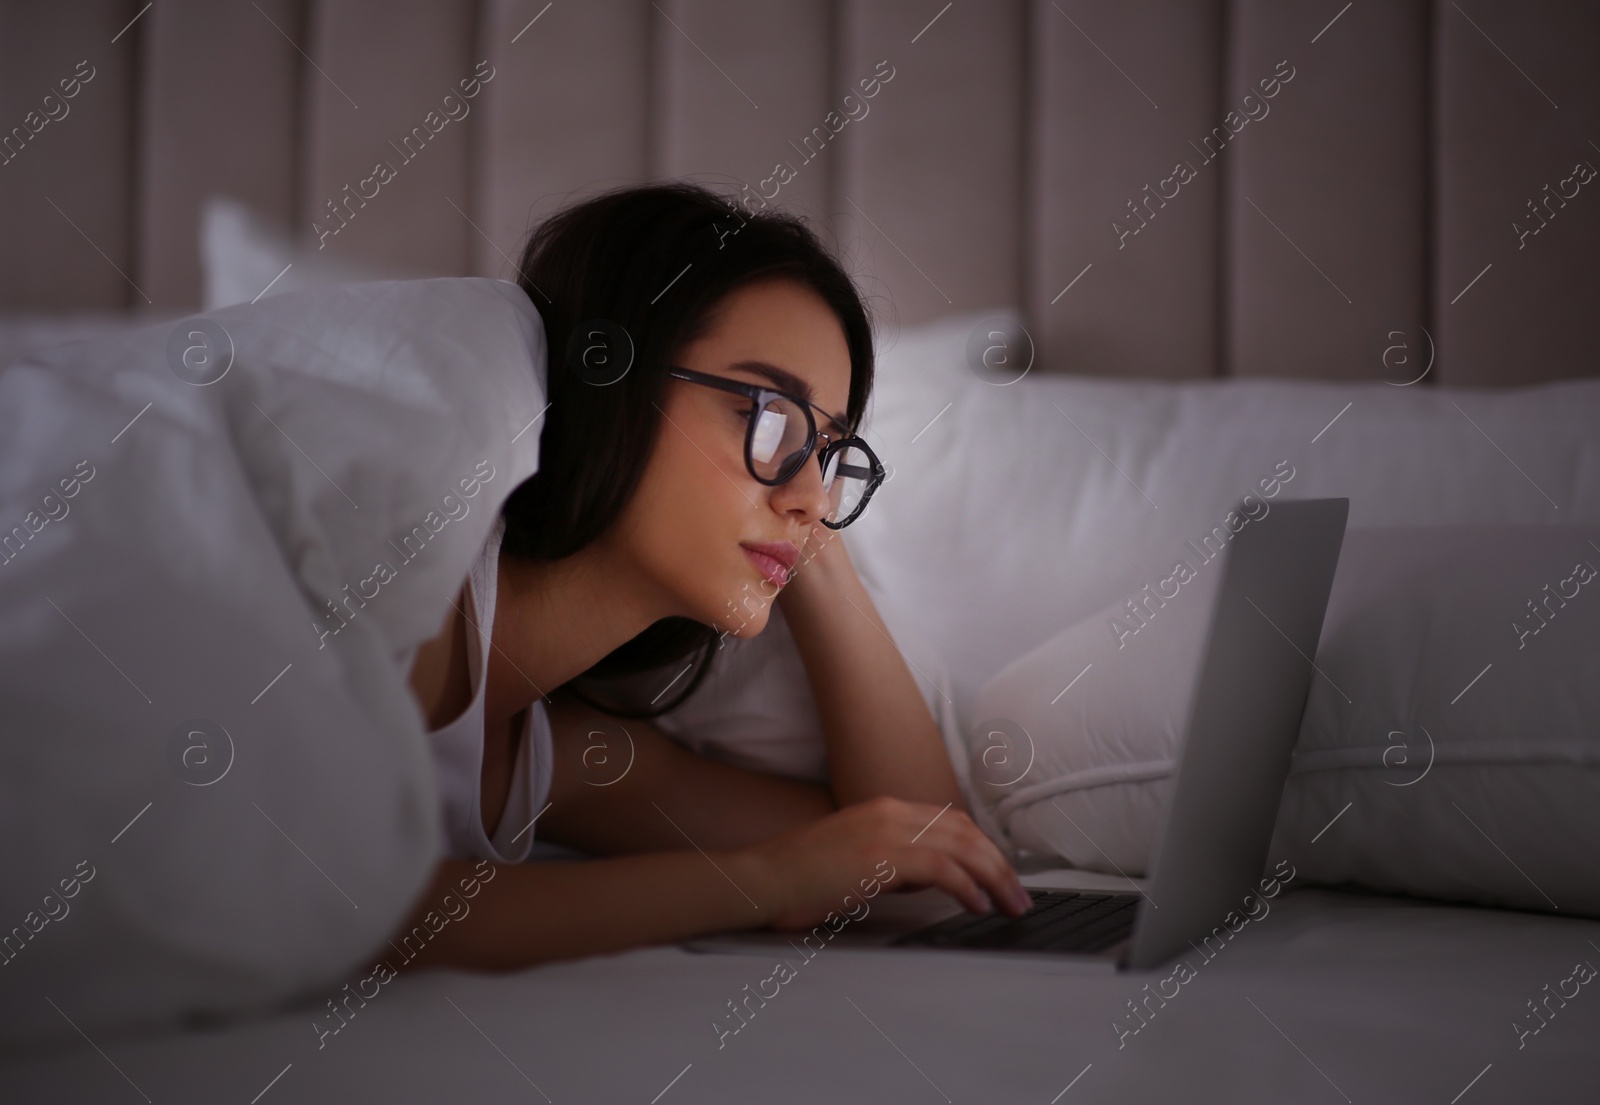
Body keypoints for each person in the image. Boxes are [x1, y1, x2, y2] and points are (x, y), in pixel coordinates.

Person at [389, 181, 1031, 971]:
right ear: (611, 378)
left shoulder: (554, 756)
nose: (813, 495)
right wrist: (763, 880)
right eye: (767, 415)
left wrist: (809, 543)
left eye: (830, 451)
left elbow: (925, 859)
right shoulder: (400, 593)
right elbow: (358, 904)